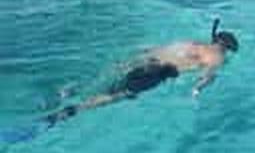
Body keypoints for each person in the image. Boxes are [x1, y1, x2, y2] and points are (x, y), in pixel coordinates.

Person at [44, 18, 239, 126]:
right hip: (157, 71)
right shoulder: (217, 56)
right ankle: (71, 111)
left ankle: (71, 91)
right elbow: (209, 74)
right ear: (226, 48)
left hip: (145, 59)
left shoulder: (191, 43)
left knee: (108, 78)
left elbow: (157, 50)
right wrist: (197, 89)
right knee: (119, 95)